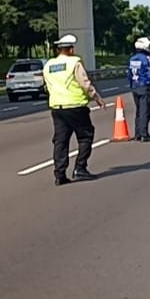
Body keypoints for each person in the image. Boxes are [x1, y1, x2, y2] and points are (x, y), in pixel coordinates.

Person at [43, 34, 105, 186]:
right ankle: (80, 168)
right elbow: (84, 83)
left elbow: (47, 86)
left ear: (59, 49)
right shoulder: (74, 62)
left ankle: (59, 174)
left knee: (61, 141)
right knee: (85, 136)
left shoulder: (48, 65)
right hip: (76, 106)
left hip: (57, 107)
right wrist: (96, 97)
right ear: (71, 49)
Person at [127, 36, 150, 141]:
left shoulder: (132, 59)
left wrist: (132, 86)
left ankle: (138, 133)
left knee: (139, 111)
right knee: (145, 111)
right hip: (145, 86)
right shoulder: (147, 59)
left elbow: (129, 74)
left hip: (135, 86)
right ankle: (144, 134)